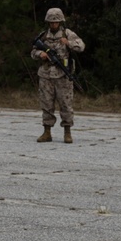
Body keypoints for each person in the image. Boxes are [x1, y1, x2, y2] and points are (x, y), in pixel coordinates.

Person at [31, 8, 85, 143]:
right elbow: (33, 52)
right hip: (46, 75)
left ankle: (67, 132)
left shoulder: (67, 34)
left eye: (56, 22)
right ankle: (47, 132)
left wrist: (69, 43)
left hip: (63, 75)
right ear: (48, 22)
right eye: (51, 22)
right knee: (46, 103)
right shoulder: (43, 36)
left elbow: (81, 46)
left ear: (61, 22)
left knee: (66, 104)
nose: (54, 25)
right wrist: (40, 54)